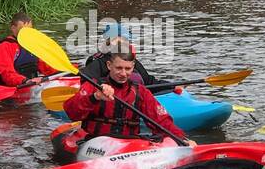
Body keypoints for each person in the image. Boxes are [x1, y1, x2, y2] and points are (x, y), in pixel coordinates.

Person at [62, 43, 192, 145]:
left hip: (130, 142)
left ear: (133, 66)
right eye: (119, 68)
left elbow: (162, 121)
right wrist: (94, 97)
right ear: (109, 65)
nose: (123, 74)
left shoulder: (140, 91)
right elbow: (71, 112)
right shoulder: (94, 86)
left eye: (128, 69)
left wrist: (181, 139)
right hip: (95, 141)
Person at [0, 12, 55, 88]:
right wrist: (25, 81)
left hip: (32, 84)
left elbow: (47, 67)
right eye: (23, 30)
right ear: (13, 28)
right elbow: (7, 74)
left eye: (29, 30)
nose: (26, 33)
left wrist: (66, 70)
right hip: (11, 87)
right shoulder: (4, 47)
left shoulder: (33, 46)